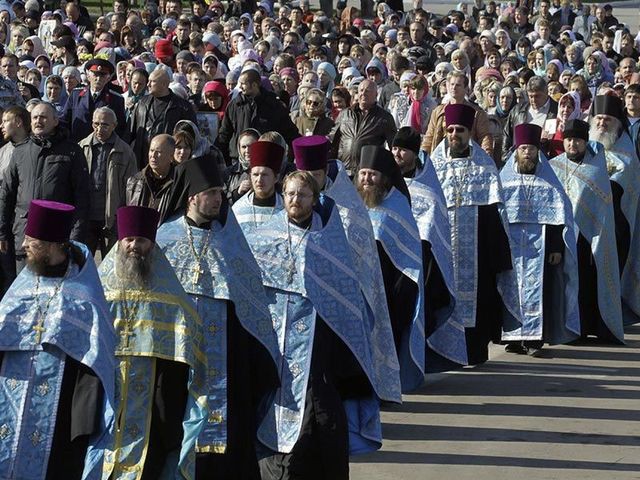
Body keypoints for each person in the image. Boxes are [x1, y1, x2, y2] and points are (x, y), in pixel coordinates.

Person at [246, 171, 382, 479]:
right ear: (283, 196)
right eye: (291, 194)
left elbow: (347, 299)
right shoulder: (264, 238)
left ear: (314, 199)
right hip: (277, 348)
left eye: (302, 195)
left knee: (321, 422)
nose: (296, 200)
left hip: (318, 349)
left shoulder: (330, 241)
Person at [156, 156, 279, 480]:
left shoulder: (230, 239)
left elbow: (250, 297)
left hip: (226, 354)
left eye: (219, 193)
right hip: (176, 356)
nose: (218, 199)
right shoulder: (165, 239)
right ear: (192, 196)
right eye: (211, 193)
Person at [0, 200, 115, 479]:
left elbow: (97, 363)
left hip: (60, 411)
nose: (24, 246)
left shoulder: (84, 297)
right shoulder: (23, 284)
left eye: (32, 241)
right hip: (8, 399)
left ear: (53, 246)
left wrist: (83, 423)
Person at [97, 205, 205, 478]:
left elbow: (187, 340)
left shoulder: (170, 293)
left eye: (141, 240)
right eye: (129, 240)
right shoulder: (101, 289)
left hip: (153, 403)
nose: (134, 246)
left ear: (152, 244)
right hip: (107, 396)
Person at [429, 103, 517, 365]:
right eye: (451, 129)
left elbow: (495, 212)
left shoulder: (484, 165)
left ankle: (475, 352)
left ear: (470, 133)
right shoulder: (434, 166)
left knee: (479, 300)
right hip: (443, 247)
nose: (454, 134)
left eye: (460, 130)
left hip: (477, 249)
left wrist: (496, 256)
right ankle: (444, 354)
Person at [498, 124, 581, 356]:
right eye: (523, 148)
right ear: (516, 151)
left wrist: (556, 247)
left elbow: (559, 217)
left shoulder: (549, 181)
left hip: (541, 247)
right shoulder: (504, 180)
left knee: (539, 291)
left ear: (538, 153)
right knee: (512, 290)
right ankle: (514, 337)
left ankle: (535, 339)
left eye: (532, 149)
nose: (527, 153)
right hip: (513, 246)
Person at [391, 127, 466, 369]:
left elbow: (434, 232)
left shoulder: (428, 190)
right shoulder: (386, 186)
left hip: (420, 265)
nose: (397, 153)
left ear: (415, 154)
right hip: (391, 265)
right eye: (394, 148)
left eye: (402, 149)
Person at [356, 144, 426, 391]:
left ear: (384, 178)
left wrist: (399, 292)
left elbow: (408, 255)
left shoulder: (397, 206)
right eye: (363, 173)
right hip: (360, 287)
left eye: (372, 174)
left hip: (391, 289)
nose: (366, 179)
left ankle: (388, 388)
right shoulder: (354, 205)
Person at [549, 119, 625, 343]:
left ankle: (593, 327)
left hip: (590, 237)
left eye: (578, 140)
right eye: (569, 140)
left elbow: (603, 205)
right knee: (565, 284)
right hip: (562, 234)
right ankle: (570, 329)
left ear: (585, 142)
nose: (573, 144)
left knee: (588, 283)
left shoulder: (596, 168)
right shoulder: (554, 166)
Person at [0, 102, 90, 273]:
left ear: (55, 121)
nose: (38, 121)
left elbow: (82, 197)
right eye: (35, 117)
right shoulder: (20, 151)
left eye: (43, 117)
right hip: (24, 236)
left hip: (57, 240)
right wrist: (2, 232)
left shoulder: (72, 151)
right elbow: (7, 194)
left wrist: (76, 237)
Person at [589, 95, 640, 326]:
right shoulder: (586, 147)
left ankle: (608, 317)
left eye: (607, 120)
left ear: (617, 124)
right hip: (587, 224)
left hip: (617, 225)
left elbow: (625, 183)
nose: (602, 124)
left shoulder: (626, 153)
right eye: (598, 119)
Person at [79, 107, 138, 256]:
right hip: (86, 217)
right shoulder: (82, 147)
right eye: (96, 124)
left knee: (111, 265)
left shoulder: (125, 151)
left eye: (105, 125)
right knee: (83, 263)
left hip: (112, 219)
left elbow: (132, 189)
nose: (99, 128)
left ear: (114, 125)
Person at [216, 68, 300, 163]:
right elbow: (224, 134)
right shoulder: (234, 105)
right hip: (239, 160)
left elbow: (290, 132)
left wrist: (303, 149)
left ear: (254, 85)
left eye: (243, 83)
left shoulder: (273, 105)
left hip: (266, 159)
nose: (240, 87)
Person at [128, 67, 197, 169]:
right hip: (142, 162)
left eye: (152, 82)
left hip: (170, 164)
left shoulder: (183, 107)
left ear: (164, 84)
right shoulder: (141, 104)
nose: (148, 85)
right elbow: (130, 132)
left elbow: (190, 138)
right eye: (148, 81)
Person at [330, 79, 397, 176]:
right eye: (361, 90)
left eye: (368, 91)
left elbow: (393, 146)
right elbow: (333, 139)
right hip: (343, 171)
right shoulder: (345, 114)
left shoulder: (384, 118)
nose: (363, 93)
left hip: (367, 173)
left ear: (376, 95)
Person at [422, 71, 494, 158]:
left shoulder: (477, 113)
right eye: (452, 84)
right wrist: (423, 156)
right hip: (442, 158)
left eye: (458, 85)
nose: (454, 88)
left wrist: (486, 156)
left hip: (468, 156)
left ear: (466, 88)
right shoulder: (438, 111)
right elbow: (429, 137)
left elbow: (484, 136)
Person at [60, 58, 127, 143]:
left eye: (102, 75)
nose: (98, 78)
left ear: (108, 78)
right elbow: (65, 120)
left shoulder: (116, 99)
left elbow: (120, 127)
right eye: (95, 74)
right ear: (88, 76)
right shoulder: (76, 95)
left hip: (102, 147)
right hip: (77, 145)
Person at [0, 106, 29, 294]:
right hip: (4, 222)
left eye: (5, 121)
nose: (1, 125)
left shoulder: (33, 150)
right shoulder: (3, 151)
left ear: (18, 122)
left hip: (23, 225)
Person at [232, 140, 285, 235]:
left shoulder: (286, 209)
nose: (259, 180)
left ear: (276, 178)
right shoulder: (238, 210)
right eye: (256, 174)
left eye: (264, 175)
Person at [126, 133, 178, 223]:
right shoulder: (135, 181)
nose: (153, 156)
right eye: (151, 150)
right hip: (139, 233)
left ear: (171, 156)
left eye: (158, 152)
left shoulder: (178, 183)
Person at [223, 128, 260, 204]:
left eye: (251, 146)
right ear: (238, 148)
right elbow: (222, 201)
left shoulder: (267, 170)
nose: (247, 150)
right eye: (244, 147)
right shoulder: (228, 173)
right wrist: (237, 193)